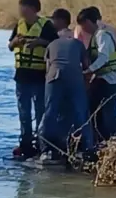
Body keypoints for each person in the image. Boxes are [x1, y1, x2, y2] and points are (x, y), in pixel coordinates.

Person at [8, 0, 59, 158]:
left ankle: (41, 143)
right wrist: (15, 42)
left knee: (40, 112)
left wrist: (39, 42)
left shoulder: (46, 25)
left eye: (22, 7)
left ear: (31, 8)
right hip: (21, 76)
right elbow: (10, 46)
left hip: (39, 75)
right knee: (23, 112)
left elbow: (56, 45)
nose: (20, 10)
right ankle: (25, 144)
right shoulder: (19, 25)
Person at [37, 35, 95, 165]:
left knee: (49, 113)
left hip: (53, 76)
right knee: (81, 112)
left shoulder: (52, 43)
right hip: (74, 76)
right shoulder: (78, 44)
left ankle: (46, 150)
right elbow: (87, 65)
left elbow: (48, 67)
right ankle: (87, 150)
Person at [76, 7, 116, 143]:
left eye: (84, 26)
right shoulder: (97, 34)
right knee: (95, 112)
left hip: (109, 81)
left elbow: (103, 57)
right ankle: (101, 140)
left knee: (107, 115)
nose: (84, 29)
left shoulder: (102, 35)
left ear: (88, 21)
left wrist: (89, 71)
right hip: (102, 80)